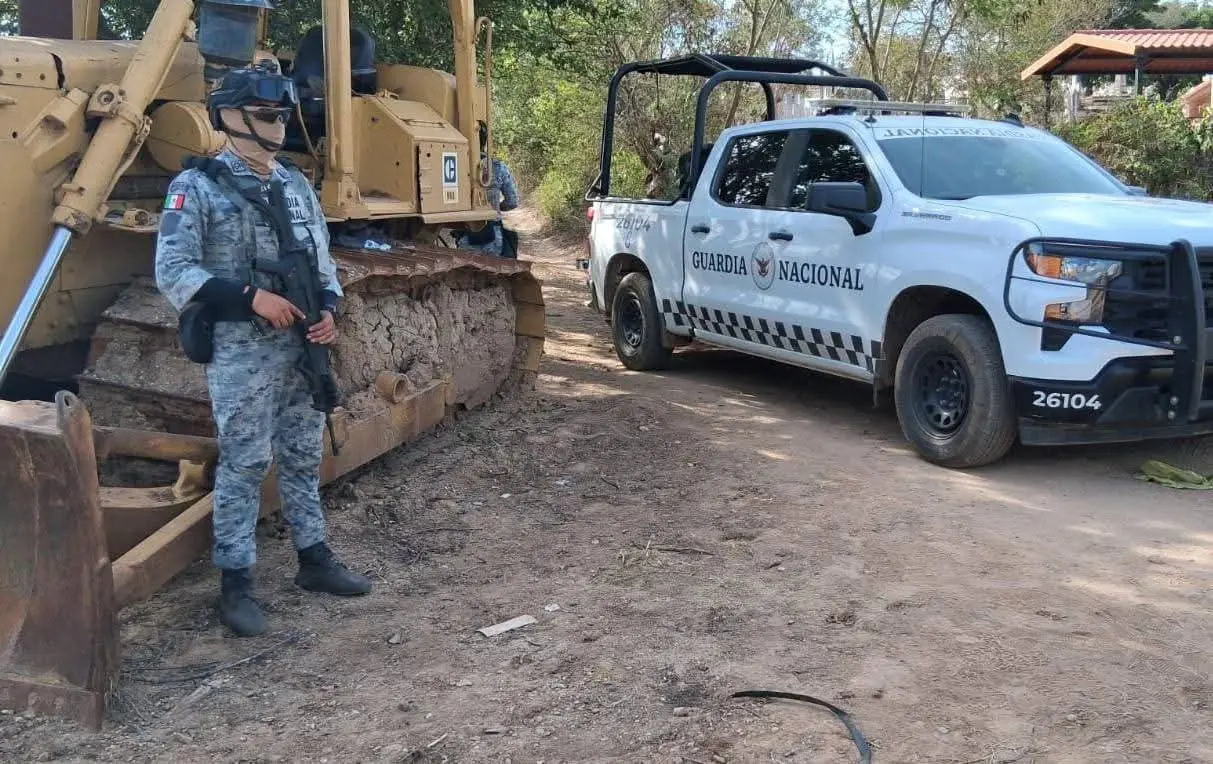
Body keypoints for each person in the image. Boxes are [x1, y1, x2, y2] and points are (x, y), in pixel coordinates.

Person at [155, 60, 372, 638]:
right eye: (262, 114)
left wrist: (328, 310)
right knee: (246, 462)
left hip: (301, 347)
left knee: (303, 455)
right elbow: (173, 270)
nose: (276, 124)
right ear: (226, 117)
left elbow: (323, 263)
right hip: (240, 350)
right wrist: (251, 298)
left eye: (280, 114)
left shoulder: (294, 183)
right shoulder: (196, 186)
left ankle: (314, 559)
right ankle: (237, 581)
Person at [457, 122, 519, 257]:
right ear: (485, 139)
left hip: (465, 235)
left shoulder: (455, 167)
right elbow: (513, 201)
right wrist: (496, 207)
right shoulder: (497, 167)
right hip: (494, 236)